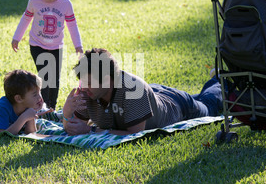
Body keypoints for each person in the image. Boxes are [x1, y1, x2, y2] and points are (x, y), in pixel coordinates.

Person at [62, 48, 223, 136]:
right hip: (152, 93)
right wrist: (67, 113)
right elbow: (74, 128)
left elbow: (134, 133)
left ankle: (220, 79)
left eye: (90, 82)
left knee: (209, 105)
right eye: (83, 81)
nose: (84, 87)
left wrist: (91, 130)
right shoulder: (87, 91)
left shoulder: (133, 89)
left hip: (178, 106)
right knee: (202, 98)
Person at [12, 0, 84, 110]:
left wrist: (78, 45)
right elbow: (26, 19)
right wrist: (17, 37)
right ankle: (43, 108)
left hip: (56, 46)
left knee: (55, 79)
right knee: (45, 76)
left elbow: (72, 25)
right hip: (37, 44)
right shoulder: (34, 0)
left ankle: (52, 106)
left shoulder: (66, 4)